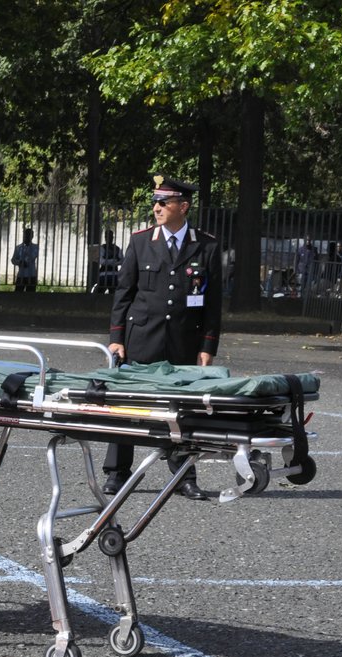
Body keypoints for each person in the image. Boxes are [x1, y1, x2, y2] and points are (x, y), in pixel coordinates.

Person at [104, 174, 223, 501]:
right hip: (142, 336)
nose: (156, 207)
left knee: (181, 411)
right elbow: (124, 292)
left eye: (163, 202)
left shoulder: (207, 244)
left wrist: (208, 345)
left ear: (183, 206)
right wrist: (117, 337)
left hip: (184, 340)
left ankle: (184, 476)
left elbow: (213, 303)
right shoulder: (141, 241)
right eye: (154, 202)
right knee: (126, 404)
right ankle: (117, 473)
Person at [11, 227, 39, 292]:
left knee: (30, 296)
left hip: (31, 275)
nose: (27, 237)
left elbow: (32, 257)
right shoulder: (18, 247)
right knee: (18, 295)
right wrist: (19, 262)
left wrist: (25, 261)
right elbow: (13, 260)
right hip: (21, 275)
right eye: (26, 235)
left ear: (32, 236)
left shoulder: (35, 247)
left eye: (29, 235)